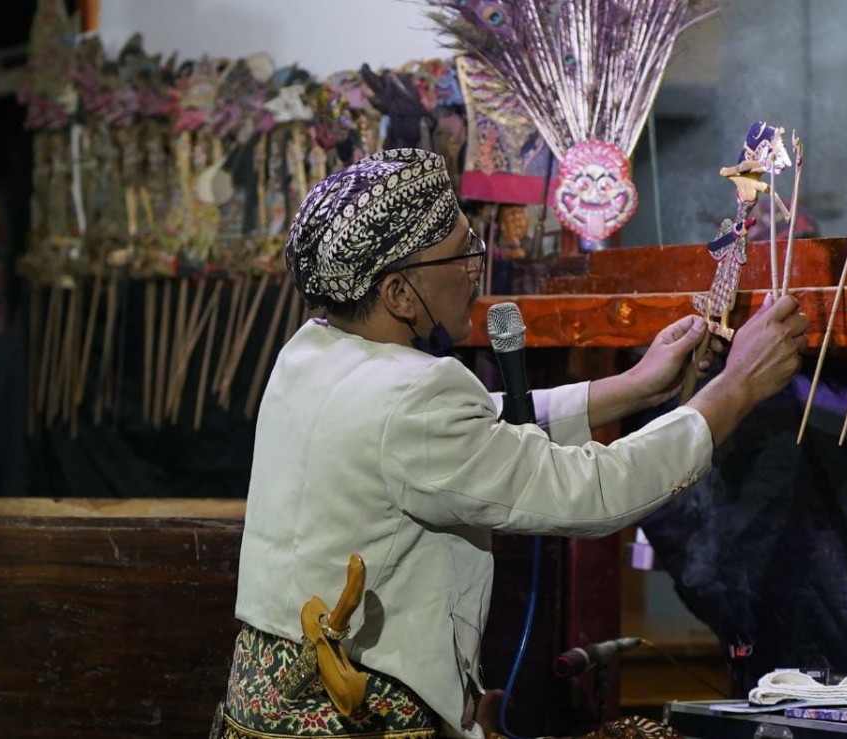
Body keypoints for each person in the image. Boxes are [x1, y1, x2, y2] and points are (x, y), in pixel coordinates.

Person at [212, 148, 809, 739]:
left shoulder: (312, 353)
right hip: (352, 718)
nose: (479, 269)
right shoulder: (415, 394)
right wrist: (735, 388)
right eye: (462, 254)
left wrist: (633, 387)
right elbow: (594, 494)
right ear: (397, 293)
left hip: (262, 704)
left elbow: (472, 433)